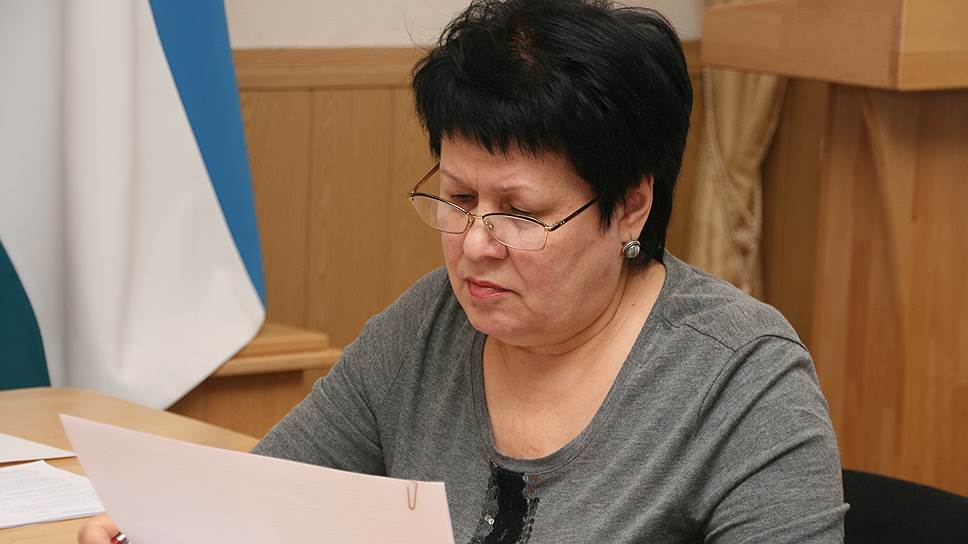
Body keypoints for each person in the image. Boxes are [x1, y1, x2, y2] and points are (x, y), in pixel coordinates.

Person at [79, 0, 848, 542]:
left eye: (519, 211)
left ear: (630, 208)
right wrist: (161, 528)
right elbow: (262, 501)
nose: (476, 242)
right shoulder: (426, 329)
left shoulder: (742, 377)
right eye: (457, 198)